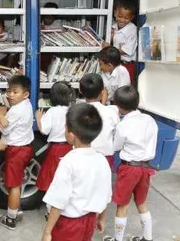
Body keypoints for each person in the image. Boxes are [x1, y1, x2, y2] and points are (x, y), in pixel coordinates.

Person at [41, 103, 111, 241]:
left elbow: (59, 200)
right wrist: (102, 217)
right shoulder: (101, 159)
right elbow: (106, 193)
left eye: (65, 127)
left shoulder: (68, 161)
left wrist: (47, 231)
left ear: (71, 136)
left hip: (68, 224)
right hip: (90, 220)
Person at [103, 86, 158, 241]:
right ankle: (148, 238)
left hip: (129, 169)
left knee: (122, 204)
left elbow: (116, 147)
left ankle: (118, 239)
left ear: (119, 107)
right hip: (146, 168)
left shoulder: (123, 125)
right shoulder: (150, 120)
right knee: (141, 202)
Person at [0, 75, 34, 230]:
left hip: (16, 151)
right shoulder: (27, 105)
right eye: (8, 91)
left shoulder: (15, 111)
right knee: (17, 182)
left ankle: (10, 219)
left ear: (25, 94)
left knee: (13, 185)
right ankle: (15, 210)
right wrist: (2, 114)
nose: (10, 95)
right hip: (25, 148)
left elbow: (2, 128)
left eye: (15, 92)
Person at [35, 82, 75, 198]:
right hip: (70, 148)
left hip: (56, 149)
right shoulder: (72, 110)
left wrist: (39, 119)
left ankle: (51, 207)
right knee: (68, 177)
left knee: (52, 177)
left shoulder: (52, 111)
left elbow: (44, 130)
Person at [79, 73, 120, 169]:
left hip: (82, 157)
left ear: (80, 91)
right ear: (102, 92)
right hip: (105, 158)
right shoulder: (112, 112)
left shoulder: (77, 111)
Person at [110, 0, 137, 83]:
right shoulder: (113, 26)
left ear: (132, 17)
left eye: (126, 18)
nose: (122, 20)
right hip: (116, 63)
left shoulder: (132, 30)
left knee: (124, 87)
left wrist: (110, 50)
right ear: (115, 13)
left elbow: (127, 50)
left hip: (127, 65)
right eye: (120, 16)